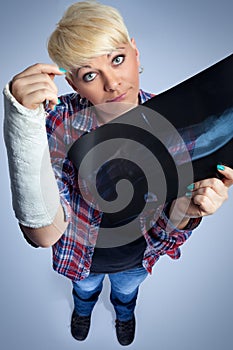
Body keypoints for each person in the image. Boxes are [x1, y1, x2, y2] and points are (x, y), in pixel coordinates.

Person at [3, 0, 233, 346]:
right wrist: (22, 123)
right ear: (74, 83)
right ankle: (82, 311)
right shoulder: (56, 122)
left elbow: (168, 230)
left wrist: (188, 211)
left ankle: (124, 314)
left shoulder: (175, 122)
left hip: (136, 258)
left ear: (136, 52)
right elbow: (44, 233)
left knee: (126, 293)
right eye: (90, 75)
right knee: (85, 291)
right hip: (80, 257)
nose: (113, 84)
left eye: (118, 59)